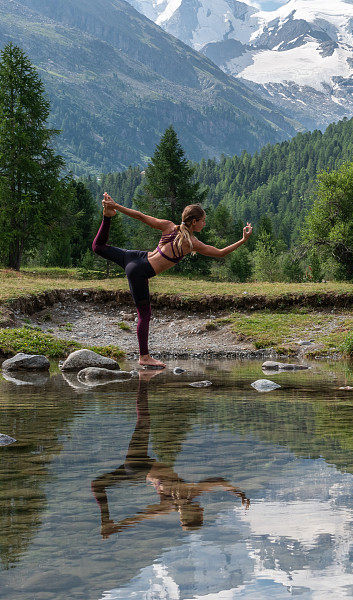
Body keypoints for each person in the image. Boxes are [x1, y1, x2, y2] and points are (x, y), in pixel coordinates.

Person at [91, 193, 252, 368]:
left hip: (134, 257)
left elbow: (140, 216)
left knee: (98, 247)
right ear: (193, 222)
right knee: (144, 315)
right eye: (203, 220)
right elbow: (221, 253)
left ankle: (107, 216)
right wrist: (243, 240)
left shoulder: (169, 226)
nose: (205, 223)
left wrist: (115, 206)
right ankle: (144, 357)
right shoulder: (191, 243)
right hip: (140, 271)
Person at [90, 371, 250, 538]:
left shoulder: (174, 502)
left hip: (138, 467)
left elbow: (141, 516)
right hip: (139, 467)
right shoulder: (189, 494)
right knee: (97, 484)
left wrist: (238, 492)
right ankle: (143, 380)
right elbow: (217, 481)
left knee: (143, 420)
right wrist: (238, 492)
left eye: (197, 512)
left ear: (197, 511)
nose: (200, 508)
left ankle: (143, 380)